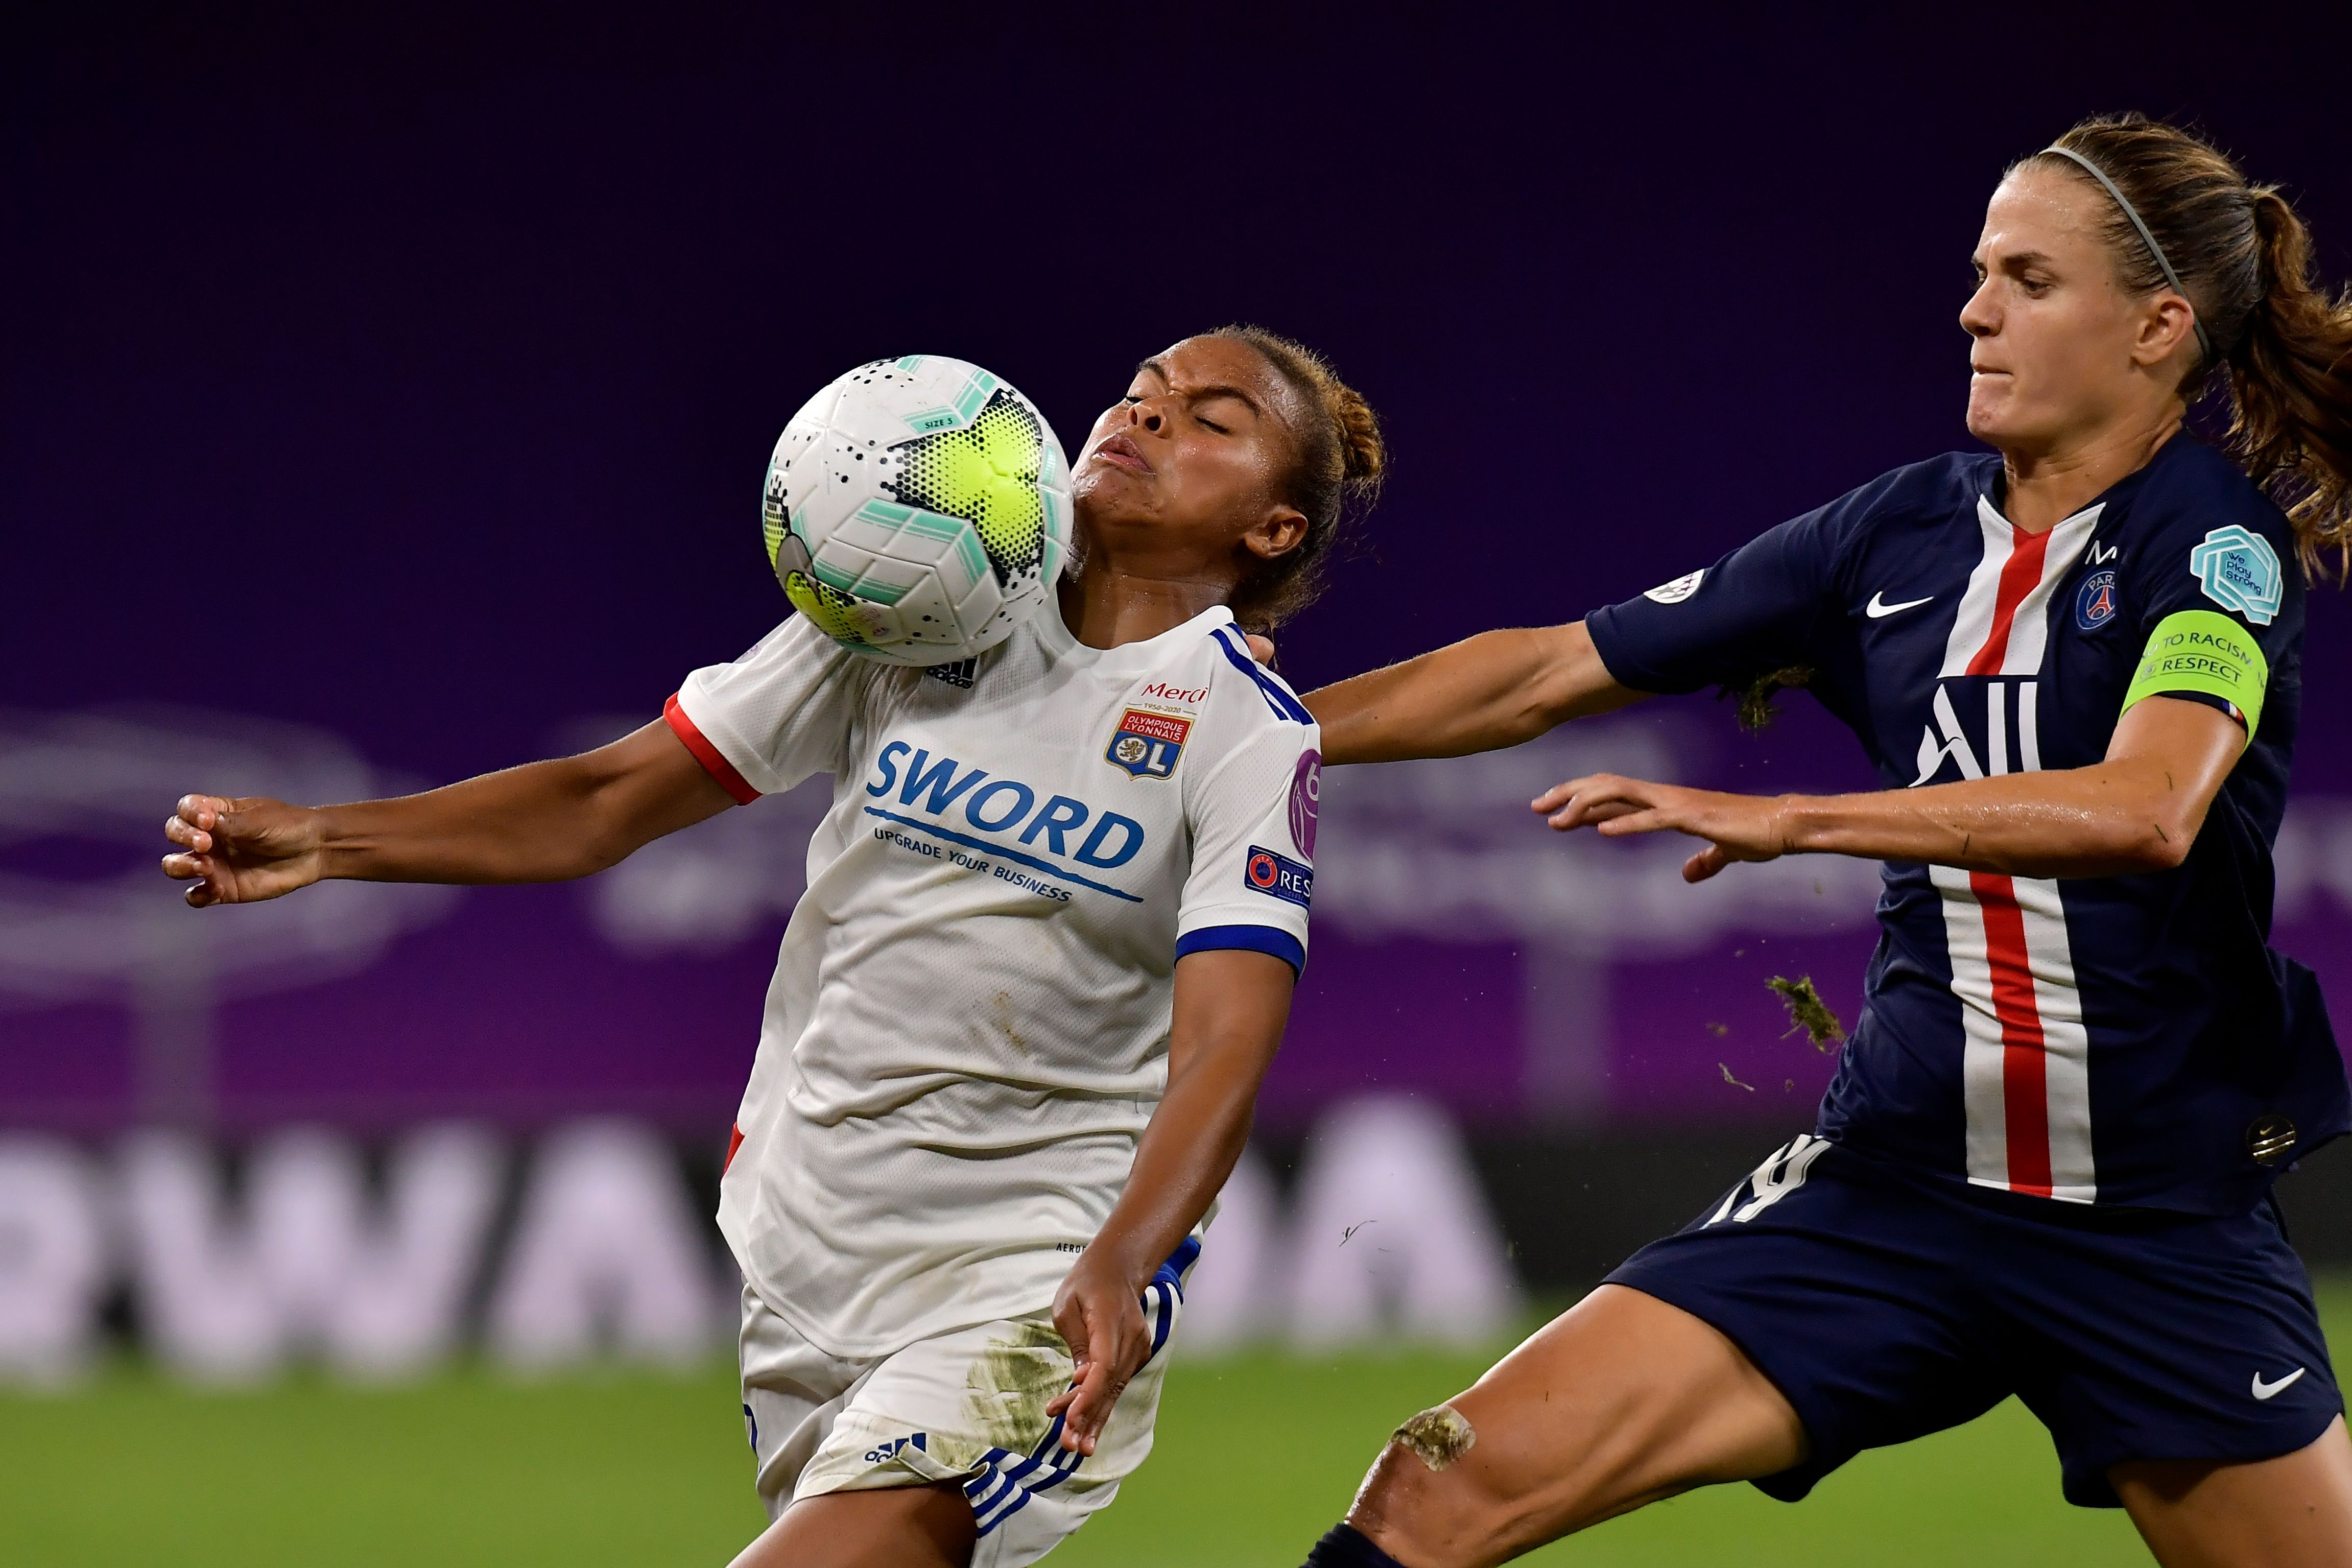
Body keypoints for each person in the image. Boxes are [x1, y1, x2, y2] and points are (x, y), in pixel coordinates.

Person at [1290, 115, 2352, 1567]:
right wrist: (1236, 728)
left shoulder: (2208, 547)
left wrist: (1794, 818)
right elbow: (1538, 671)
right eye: (1980, 271)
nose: (1972, 308)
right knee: (1432, 1488)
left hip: (2152, 1225)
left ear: (2157, 326)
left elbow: (2144, 807)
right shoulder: (1893, 538)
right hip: (1891, 1192)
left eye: (2027, 280)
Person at [159, 327, 1383, 1568]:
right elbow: (605, 798)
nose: (1147, 418)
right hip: (806, 1254)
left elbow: (1226, 1036)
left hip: (1025, 1287)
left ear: (1273, 530)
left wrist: (1121, 1257)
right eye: (1140, 394)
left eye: (1209, 420)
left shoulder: (1243, 726)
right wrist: (331, 838)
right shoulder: (919, 599)